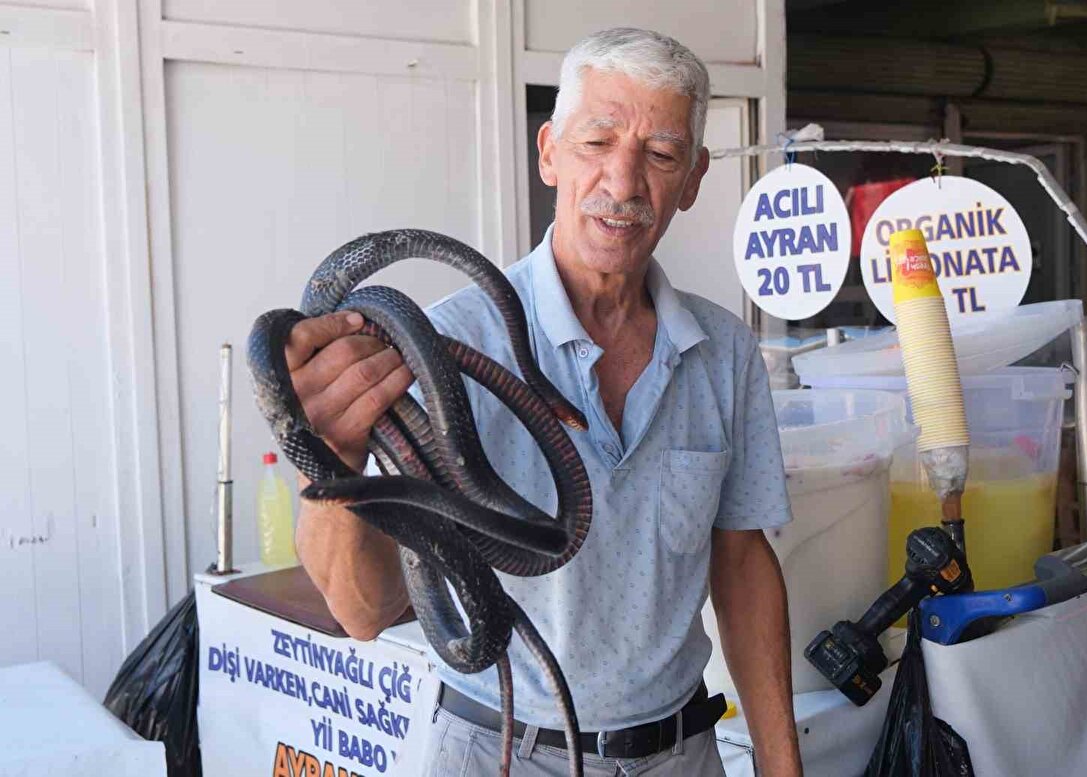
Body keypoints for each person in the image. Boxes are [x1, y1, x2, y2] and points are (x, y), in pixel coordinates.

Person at [285, 27, 802, 776]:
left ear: (692, 179)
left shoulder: (722, 350)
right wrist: (331, 465)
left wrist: (782, 767)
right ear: (550, 151)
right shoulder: (440, 348)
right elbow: (364, 613)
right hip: (502, 751)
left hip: (682, 754)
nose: (623, 183)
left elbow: (742, 560)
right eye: (596, 141)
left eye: (659, 154)